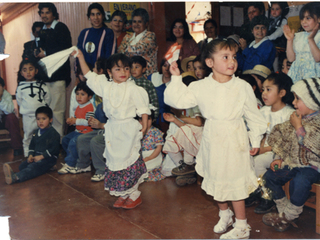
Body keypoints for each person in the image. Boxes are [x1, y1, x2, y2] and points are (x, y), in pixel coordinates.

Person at [164, 39, 267, 238]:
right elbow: (176, 100)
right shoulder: (201, 86)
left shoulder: (242, 86)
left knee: (235, 181)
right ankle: (224, 213)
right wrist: (176, 77)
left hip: (234, 139)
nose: (232, 62)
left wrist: (254, 140)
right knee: (216, 177)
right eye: (225, 57)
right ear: (210, 63)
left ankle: (242, 226)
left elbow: (255, 117)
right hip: (213, 137)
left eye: (234, 57)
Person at [73, 50, 150, 210]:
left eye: (126, 68)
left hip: (128, 128)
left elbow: (143, 109)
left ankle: (134, 193)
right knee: (115, 161)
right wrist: (80, 57)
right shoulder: (105, 86)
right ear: (109, 72)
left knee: (129, 159)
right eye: (118, 69)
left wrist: (143, 127)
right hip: (113, 129)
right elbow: (89, 74)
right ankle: (123, 193)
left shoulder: (134, 88)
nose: (123, 72)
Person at [261, 78, 320, 232]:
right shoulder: (295, 118)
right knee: (269, 177)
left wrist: (299, 127)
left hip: (314, 167)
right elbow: (284, 139)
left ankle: (288, 215)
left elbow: (315, 145)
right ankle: (284, 211)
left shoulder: (317, 122)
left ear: (311, 101)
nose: (293, 102)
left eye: (298, 99)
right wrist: (279, 157)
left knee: (299, 181)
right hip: (294, 163)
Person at [247, 73, 295, 213]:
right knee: (249, 159)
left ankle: (268, 196)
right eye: (263, 90)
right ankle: (258, 191)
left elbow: (287, 141)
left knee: (261, 162)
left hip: (281, 152)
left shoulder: (288, 114)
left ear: (281, 93)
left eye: (269, 89)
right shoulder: (263, 111)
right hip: (266, 148)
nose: (264, 94)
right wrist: (259, 147)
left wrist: (265, 149)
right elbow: (260, 133)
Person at [36, 3, 72, 138]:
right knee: (46, 112)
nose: (44, 15)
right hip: (45, 78)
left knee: (57, 112)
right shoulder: (42, 31)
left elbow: (65, 49)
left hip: (58, 76)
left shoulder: (61, 28)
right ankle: (49, 142)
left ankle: (58, 142)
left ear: (54, 14)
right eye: (42, 13)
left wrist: (46, 53)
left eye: (47, 12)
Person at [3, 106, 60, 184]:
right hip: (36, 157)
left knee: (33, 167)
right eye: (38, 119)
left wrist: (41, 156)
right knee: (22, 166)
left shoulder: (54, 134)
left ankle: (16, 177)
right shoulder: (35, 132)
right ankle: (46, 168)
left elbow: (54, 149)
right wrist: (30, 155)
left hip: (48, 159)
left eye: (44, 119)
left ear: (50, 120)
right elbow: (32, 146)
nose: (41, 121)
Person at [16, 60, 51, 157]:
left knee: (43, 135)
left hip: (41, 116)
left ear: (36, 71)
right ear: (21, 73)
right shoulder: (20, 87)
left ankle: (43, 155)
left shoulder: (42, 85)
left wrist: (42, 111)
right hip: (27, 116)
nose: (28, 72)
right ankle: (28, 155)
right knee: (28, 136)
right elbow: (19, 101)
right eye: (25, 70)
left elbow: (47, 98)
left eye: (31, 69)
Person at [58, 81, 95, 174]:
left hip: (86, 133)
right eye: (77, 94)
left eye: (82, 94)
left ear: (90, 96)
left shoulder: (90, 107)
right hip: (78, 131)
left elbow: (89, 122)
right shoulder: (79, 106)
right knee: (65, 139)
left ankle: (70, 164)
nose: (79, 97)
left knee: (73, 141)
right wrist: (72, 121)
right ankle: (73, 159)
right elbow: (77, 121)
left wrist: (76, 120)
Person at [284, 2, 320, 83]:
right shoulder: (298, 36)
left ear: (319, 19)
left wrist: (311, 39)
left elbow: (318, 58)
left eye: (308, 18)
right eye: (302, 18)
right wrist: (290, 40)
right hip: (297, 75)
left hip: (313, 76)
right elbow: (291, 58)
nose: (304, 22)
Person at [118, 8, 158, 78]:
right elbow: (119, 52)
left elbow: (138, 50)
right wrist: (129, 51)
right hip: (130, 75)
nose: (136, 24)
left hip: (147, 76)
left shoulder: (150, 35)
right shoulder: (128, 36)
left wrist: (126, 50)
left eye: (139, 22)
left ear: (146, 24)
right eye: (134, 21)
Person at [72, 102, 107, 181]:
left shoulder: (115, 105)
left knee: (96, 141)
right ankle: (83, 165)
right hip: (101, 130)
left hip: (112, 132)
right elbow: (97, 125)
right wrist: (93, 122)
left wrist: (101, 125)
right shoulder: (100, 106)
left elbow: (115, 125)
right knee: (82, 139)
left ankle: (101, 171)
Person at [77, 3, 116, 69]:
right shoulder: (84, 33)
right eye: (92, 14)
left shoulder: (108, 33)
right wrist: (78, 75)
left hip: (101, 75)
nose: (96, 18)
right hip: (85, 74)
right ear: (89, 17)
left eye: (98, 14)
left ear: (103, 16)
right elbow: (78, 55)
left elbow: (110, 57)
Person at [0, 77, 23, 156]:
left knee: (11, 117)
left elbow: (9, 110)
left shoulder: (6, 95)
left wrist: (0, 98)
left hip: (3, 119)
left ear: (3, 87)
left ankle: (17, 148)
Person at [148, 59, 172, 133]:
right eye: (164, 65)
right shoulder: (153, 77)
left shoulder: (176, 82)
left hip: (168, 118)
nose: (167, 69)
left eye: (170, 66)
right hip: (151, 115)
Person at [267, 2, 289, 72]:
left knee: (275, 58)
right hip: (271, 45)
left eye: (277, 9)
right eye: (272, 9)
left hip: (280, 46)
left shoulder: (283, 20)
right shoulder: (270, 21)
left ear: (282, 10)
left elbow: (278, 33)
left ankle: (277, 72)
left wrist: (268, 38)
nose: (274, 11)